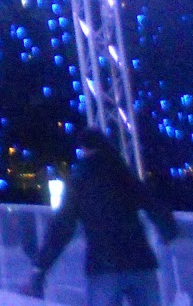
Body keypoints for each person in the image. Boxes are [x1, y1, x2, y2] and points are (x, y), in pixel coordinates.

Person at [27, 129, 177, 305]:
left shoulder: (79, 180)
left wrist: (41, 267)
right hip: (140, 261)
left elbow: (62, 227)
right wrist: (167, 230)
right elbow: (152, 203)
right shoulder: (123, 173)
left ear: (84, 150)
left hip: (103, 265)